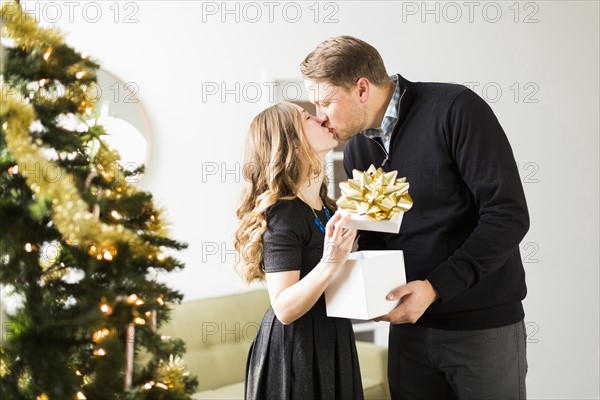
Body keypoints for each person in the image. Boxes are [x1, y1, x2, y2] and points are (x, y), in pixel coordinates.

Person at [301, 35, 530, 399]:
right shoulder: (360, 146)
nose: (321, 116)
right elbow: (377, 234)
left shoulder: (455, 109)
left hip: (482, 328)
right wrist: (371, 292)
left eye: (327, 101)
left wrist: (436, 287)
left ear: (362, 89)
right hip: (409, 331)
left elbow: (508, 215)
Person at [234, 102, 363, 399]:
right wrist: (331, 261)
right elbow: (284, 308)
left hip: (332, 340)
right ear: (292, 140)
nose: (321, 118)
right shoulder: (285, 213)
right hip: (296, 353)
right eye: (307, 117)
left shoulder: (325, 207)